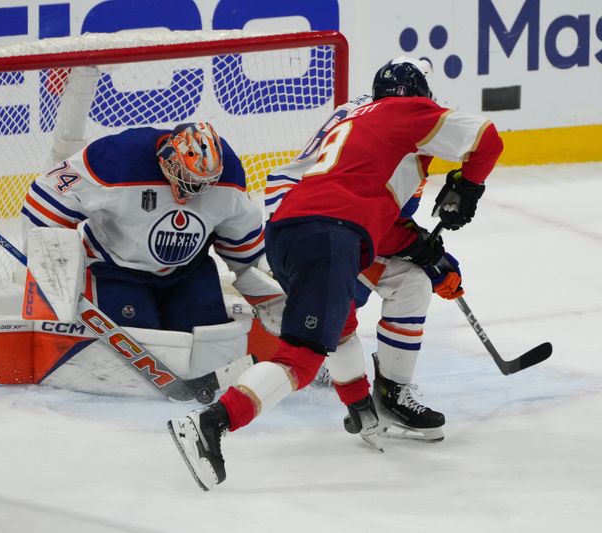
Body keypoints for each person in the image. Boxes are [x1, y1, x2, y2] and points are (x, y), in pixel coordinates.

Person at [168, 57, 503, 490]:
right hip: (330, 234)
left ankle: (367, 404)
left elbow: (373, 210)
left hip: (295, 228)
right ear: (419, 95)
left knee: (359, 310)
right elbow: (487, 139)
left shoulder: (354, 118)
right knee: (303, 357)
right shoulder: (406, 111)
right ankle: (211, 422)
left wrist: (425, 252)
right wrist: (469, 185)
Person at [20, 122, 284, 384]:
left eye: (205, 183)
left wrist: (268, 292)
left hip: (189, 272)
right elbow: (43, 202)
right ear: (168, 161)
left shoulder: (229, 179)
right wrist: (54, 270)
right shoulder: (116, 159)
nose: (196, 191)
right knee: (140, 350)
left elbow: (243, 247)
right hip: (117, 270)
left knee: (208, 343)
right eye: (188, 179)